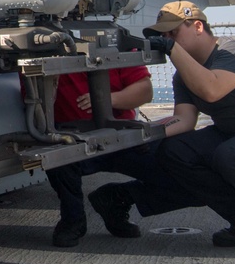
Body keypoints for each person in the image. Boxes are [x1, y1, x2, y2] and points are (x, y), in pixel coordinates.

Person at [89, 1, 235, 252]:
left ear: (198, 26)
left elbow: (212, 89)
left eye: (172, 33)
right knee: (177, 151)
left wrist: (173, 49)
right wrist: (148, 135)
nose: (166, 39)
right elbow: (185, 120)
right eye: (163, 36)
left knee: (231, 153)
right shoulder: (183, 76)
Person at [43, 66, 155, 247]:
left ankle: (116, 200)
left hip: (122, 136)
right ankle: (73, 220)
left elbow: (145, 91)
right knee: (58, 156)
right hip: (73, 137)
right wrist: (50, 82)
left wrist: (105, 99)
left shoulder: (116, 44)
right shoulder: (46, 54)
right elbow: (34, 101)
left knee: (172, 164)